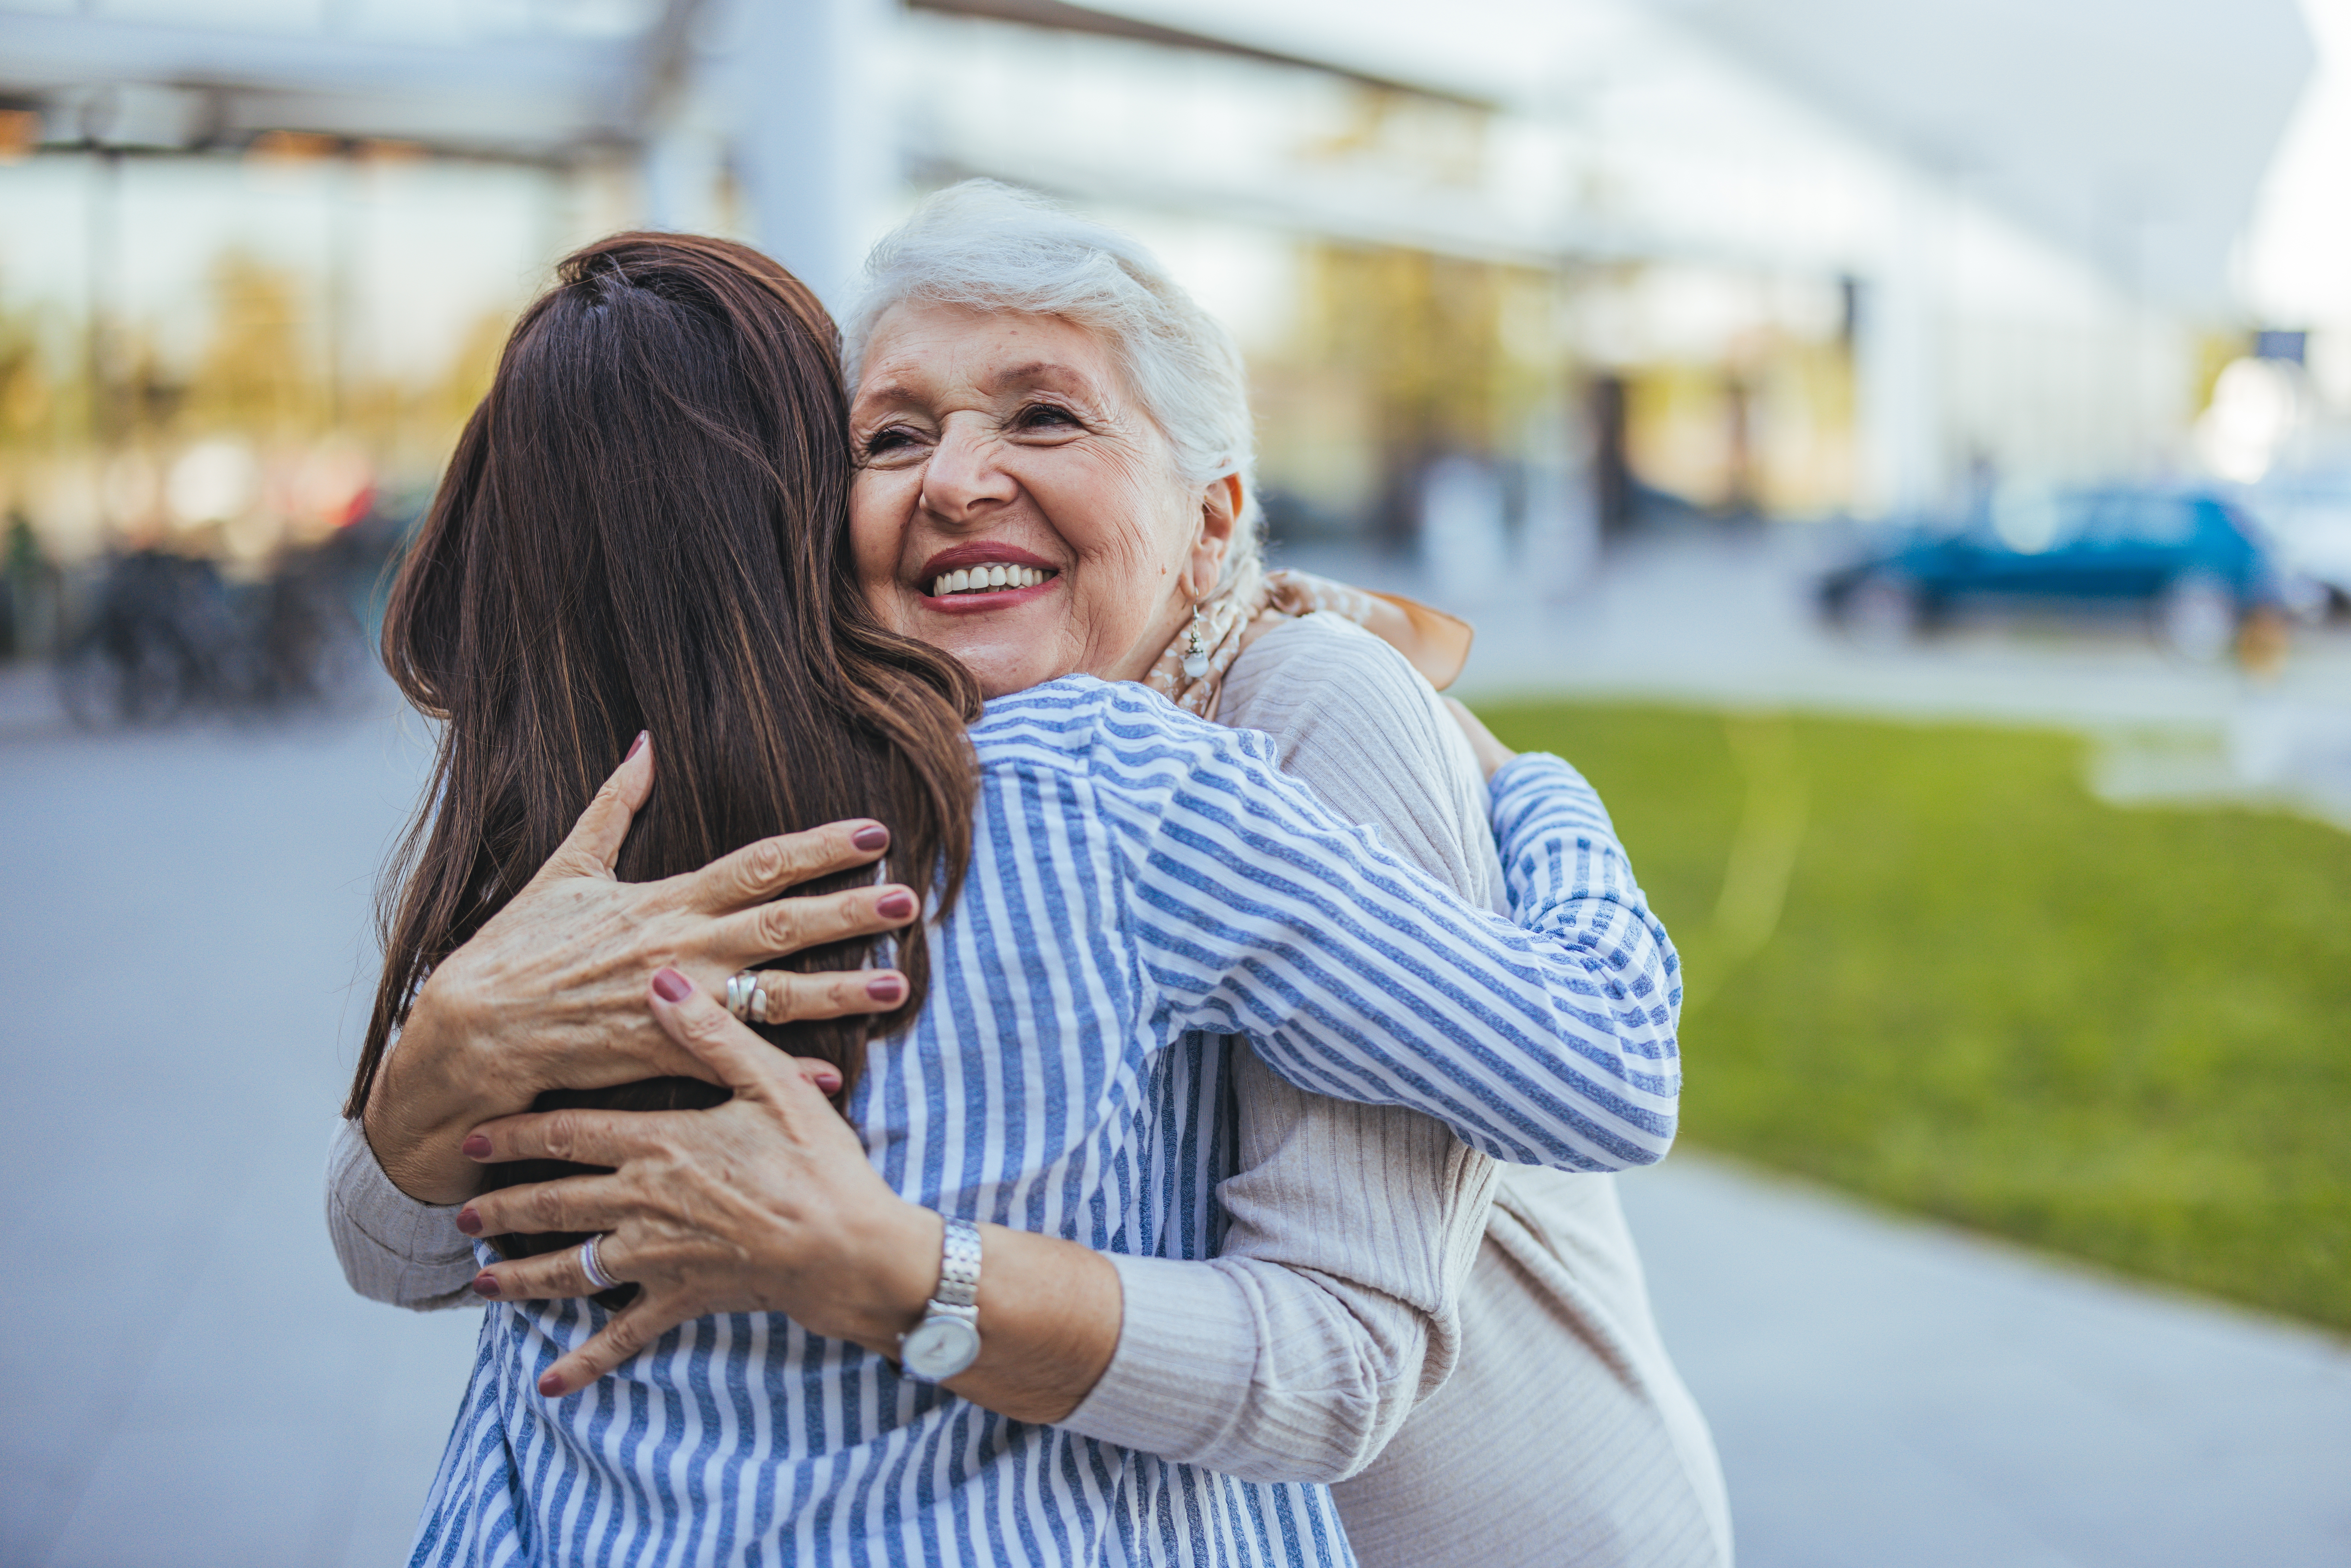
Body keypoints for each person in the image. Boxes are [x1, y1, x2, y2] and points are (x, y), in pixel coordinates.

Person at [333, 194, 1723, 1566]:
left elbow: (1350, 1338)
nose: (953, 480)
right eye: (891, 436)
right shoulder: (768, 801)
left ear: (1210, 520)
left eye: (1043, 415)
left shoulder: (1296, 708)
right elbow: (410, 1250)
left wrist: (1530, 782)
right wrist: (440, 1055)